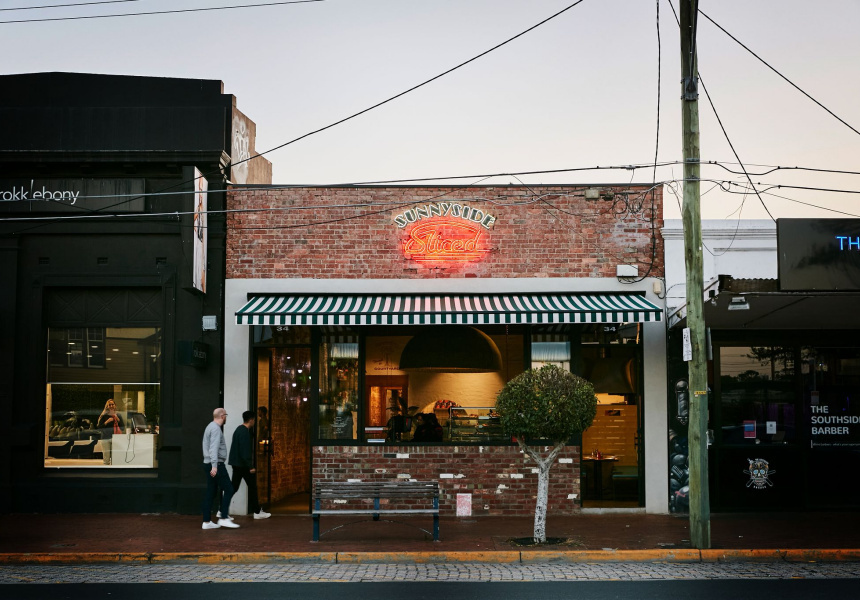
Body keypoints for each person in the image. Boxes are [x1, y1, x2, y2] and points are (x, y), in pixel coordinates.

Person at [229, 410, 270, 520]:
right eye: (254, 420)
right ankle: (257, 512)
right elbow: (244, 451)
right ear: (251, 420)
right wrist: (250, 466)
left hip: (237, 463)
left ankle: (222, 510)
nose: (255, 422)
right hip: (243, 465)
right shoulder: (244, 432)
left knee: (234, 487)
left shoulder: (239, 429)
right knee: (252, 487)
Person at [202, 408, 239, 530]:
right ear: (222, 416)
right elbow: (214, 448)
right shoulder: (216, 429)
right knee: (229, 489)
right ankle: (223, 518)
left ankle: (206, 521)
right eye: (226, 415)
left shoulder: (210, 426)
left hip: (209, 463)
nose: (226, 417)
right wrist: (214, 465)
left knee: (211, 492)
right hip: (216, 464)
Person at [97, 399, 123, 465]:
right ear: (107, 406)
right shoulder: (104, 415)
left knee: (115, 459)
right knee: (106, 459)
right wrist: (107, 422)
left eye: (112, 404)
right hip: (105, 438)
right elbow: (99, 427)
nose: (111, 406)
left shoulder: (118, 415)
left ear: (115, 405)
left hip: (116, 439)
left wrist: (118, 419)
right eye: (109, 405)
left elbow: (123, 427)